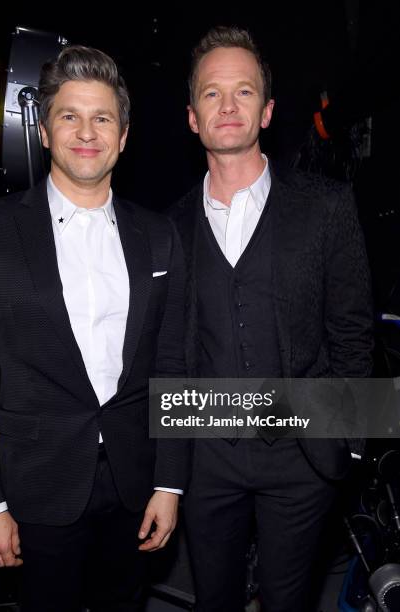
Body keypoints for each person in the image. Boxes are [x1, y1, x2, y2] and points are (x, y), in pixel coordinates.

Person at [0, 45, 189, 612]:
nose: (87, 131)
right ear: (45, 133)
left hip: (135, 484)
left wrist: (170, 484)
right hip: (35, 488)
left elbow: (173, 366)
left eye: (102, 117)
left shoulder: (158, 236)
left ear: (123, 136)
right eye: (70, 116)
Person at [169, 26, 373, 612]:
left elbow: (353, 332)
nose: (228, 105)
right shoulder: (169, 228)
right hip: (206, 456)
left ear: (267, 111)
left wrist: (348, 442)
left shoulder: (327, 206)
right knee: (215, 601)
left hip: (303, 458)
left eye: (244, 92)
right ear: (191, 117)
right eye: (212, 94)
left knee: (289, 602)